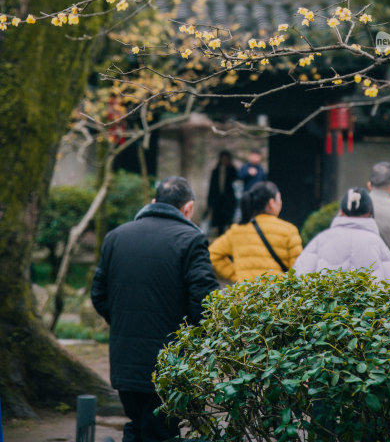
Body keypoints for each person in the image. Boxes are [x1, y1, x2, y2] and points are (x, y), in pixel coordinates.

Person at [91, 176, 219, 442]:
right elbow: (205, 302)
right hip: (169, 361)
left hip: (124, 359)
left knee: (138, 425)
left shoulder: (116, 236)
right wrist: (194, 338)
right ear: (188, 208)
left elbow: (99, 295)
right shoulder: (191, 240)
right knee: (160, 429)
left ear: (153, 202)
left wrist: (124, 322)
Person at [294, 187, 390, 282]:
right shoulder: (378, 243)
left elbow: (300, 274)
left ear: (341, 211)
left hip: (326, 304)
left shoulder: (321, 239)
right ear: (370, 213)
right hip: (367, 305)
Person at [209, 181, 302, 282]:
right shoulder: (289, 230)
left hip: (246, 295)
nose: (281, 202)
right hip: (278, 295)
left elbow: (212, 254)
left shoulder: (237, 230)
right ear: (271, 203)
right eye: (279, 199)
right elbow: (298, 270)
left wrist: (237, 276)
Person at [206, 150, 238, 235]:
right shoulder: (215, 171)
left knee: (228, 220)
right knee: (219, 221)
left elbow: (236, 184)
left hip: (229, 200)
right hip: (218, 199)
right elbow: (212, 187)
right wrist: (210, 201)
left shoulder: (232, 170)